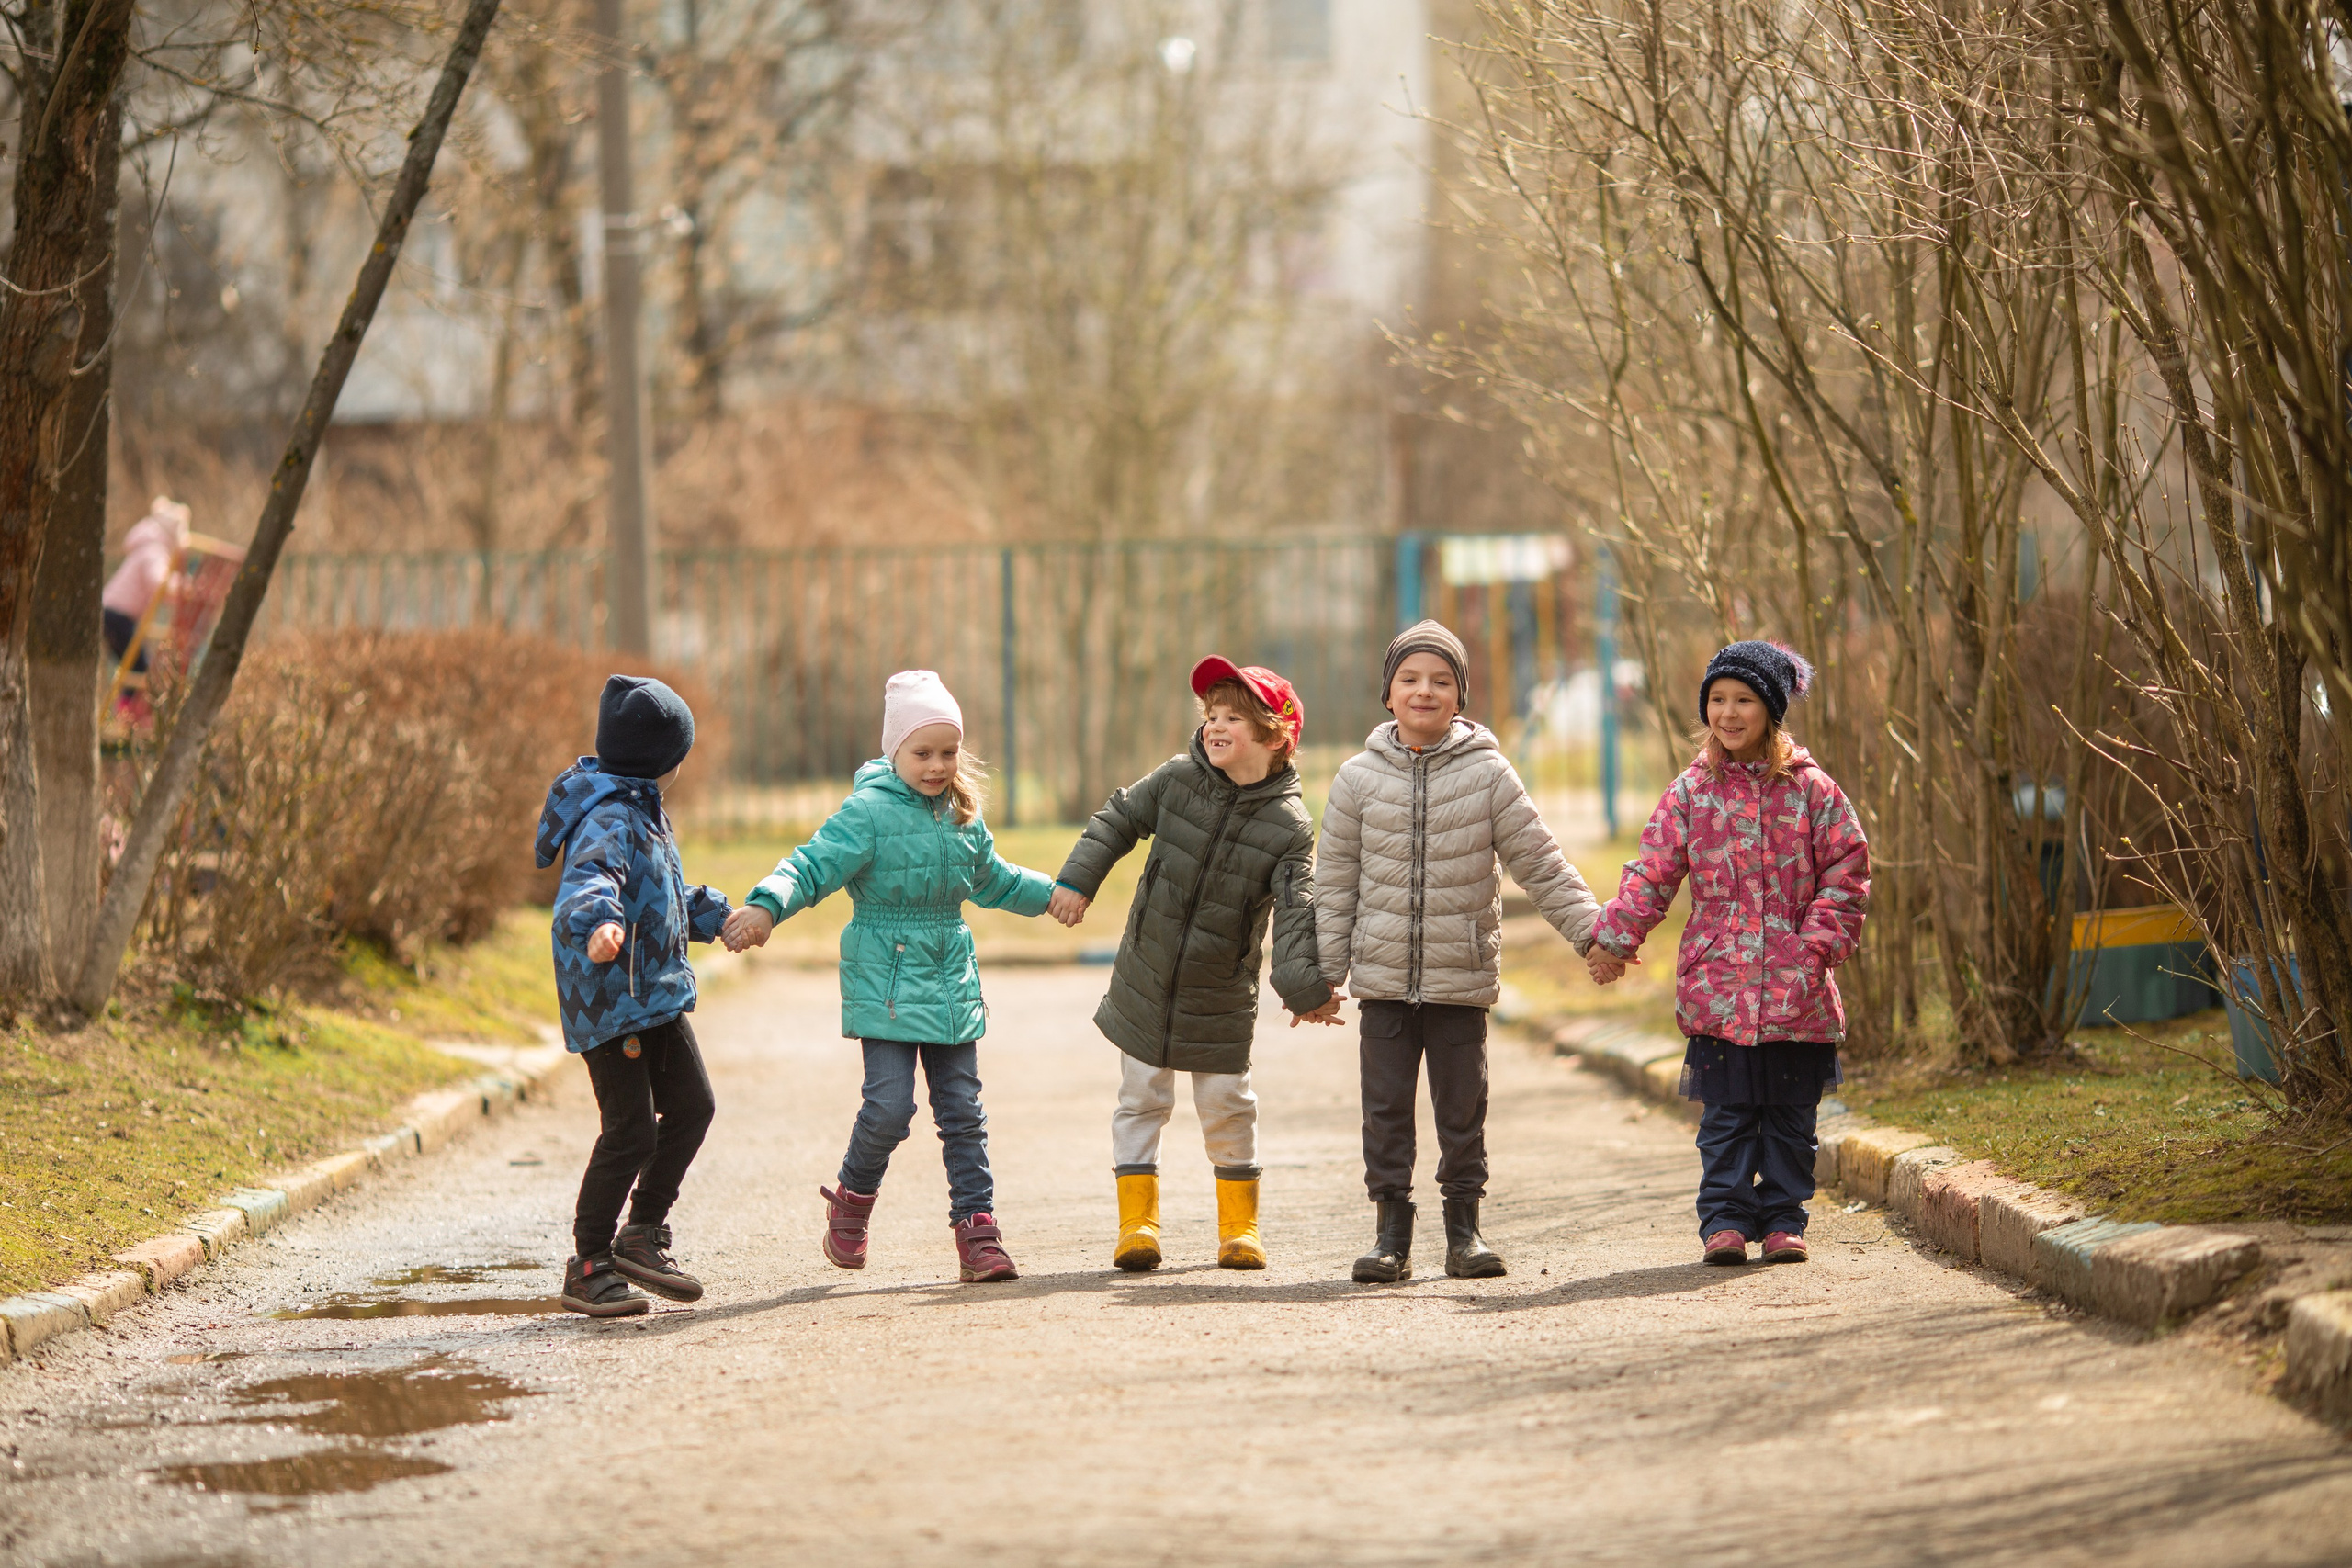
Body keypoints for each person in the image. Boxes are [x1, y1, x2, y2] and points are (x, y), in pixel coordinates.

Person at [720, 671, 1055, 1283]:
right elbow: (811, 865)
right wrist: (767, 906)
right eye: (922, 753)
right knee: (890, 1107)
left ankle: (978, 1232)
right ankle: (851, 1201)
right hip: (887, 981)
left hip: (950, 980)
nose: (938, 765)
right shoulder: (867, 813)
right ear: (894, 751)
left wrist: (1053, 895)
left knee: (963, 1112)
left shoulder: (962, 814)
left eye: (949, 752)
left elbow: (995, 879)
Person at [1317, 619, 1603, 1284]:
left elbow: (1541, 862)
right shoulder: (1356, 779)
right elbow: (1332, 884)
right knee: (1385, 1112)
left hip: (1461, 977)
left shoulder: (1489, 775)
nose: (1425, 691)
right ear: (1388, 693)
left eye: (1441, 681)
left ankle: (1464, 1233)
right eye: (1410, 679)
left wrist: (1594, 934)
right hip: (1383, 981)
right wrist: (1326, 976)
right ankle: (1390, 1236)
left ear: (1460, 696)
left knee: (1462, 1111)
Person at [1049, 657, 1343, 1275]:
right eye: (1211, 714)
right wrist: (1078, 879)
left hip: (1220, 991)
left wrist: (1304, 988)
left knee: (1228, 1103)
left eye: (1233, 716)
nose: (1215, 725)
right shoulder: (1178, 778)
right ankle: (1137, 1225)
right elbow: (1119, 818)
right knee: (1140, 1096)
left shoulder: (1289, 826)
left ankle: (1240, 1227)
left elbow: (1297, 912)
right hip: (1147, 975)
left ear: (1275, 735)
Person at [1586, 640, 1870, 1266]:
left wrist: (1815, 948)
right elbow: (1653, 873)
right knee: (1727, 1119)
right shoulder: (1692, 791)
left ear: (1771, 709)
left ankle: (1784, 1218)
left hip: (1796, 991)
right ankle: (1726, 1219)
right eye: (1718, 700)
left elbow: (1847, 872)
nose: (1729, 713)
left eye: (1744, 700)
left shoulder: (1813, 791)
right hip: (1718, 989)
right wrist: (1613, 941)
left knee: (1791, 1120)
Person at [537, 675, 733, 1317]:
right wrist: (599, 924)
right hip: (611, 1001)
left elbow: (663, 894)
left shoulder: (643, 807)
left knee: (694, 1105)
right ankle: (588, 1261)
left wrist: (718, 916)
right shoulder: (609, 816)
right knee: (630, 1131)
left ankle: (642, 1231)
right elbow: (590, 880)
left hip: (653, 995)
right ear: (662, 759)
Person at [101, 497, 192, 682]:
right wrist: (184, 586)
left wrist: (181, 591)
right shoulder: (154, 551)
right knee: (138, 671)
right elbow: (158, 583)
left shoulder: (150, 547)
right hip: (118, 615)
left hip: (114, 613)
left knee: (133, 668)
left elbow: (162, 591)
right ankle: (127, 702)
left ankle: (125, 700)